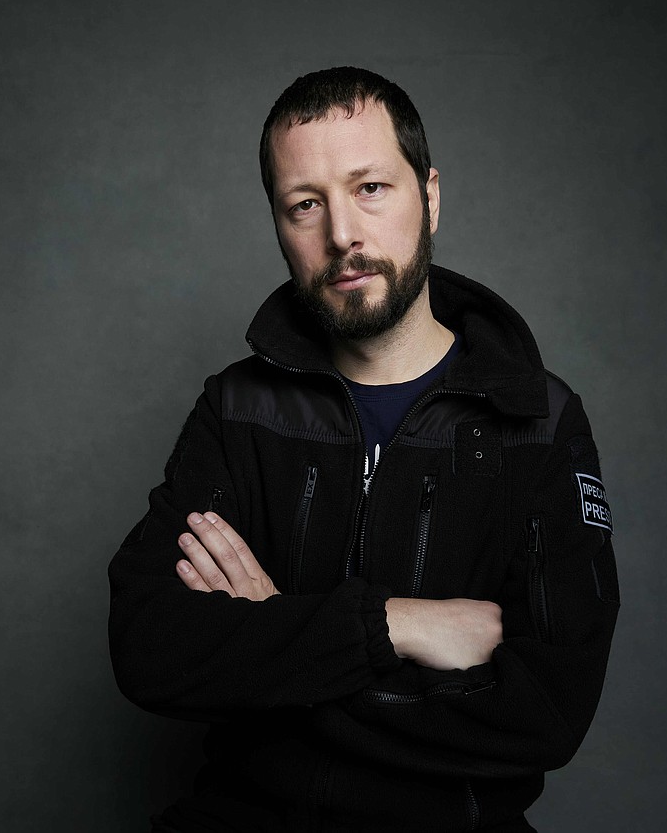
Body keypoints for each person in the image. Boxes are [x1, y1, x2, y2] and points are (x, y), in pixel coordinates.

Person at [108, 66, 619, 833]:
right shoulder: (239, 407)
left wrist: (277, 639)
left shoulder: (538, 422)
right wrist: (395, 625)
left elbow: (545, 711)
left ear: (431, 195)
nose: (341, 234)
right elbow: (149, 646)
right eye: (305, 204)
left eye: (370, 188)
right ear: (279, 224)